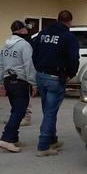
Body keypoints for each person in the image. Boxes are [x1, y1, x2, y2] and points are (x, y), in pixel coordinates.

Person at [32, 10, 79, 157]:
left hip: (41, 75)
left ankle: (52, 140)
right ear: (69, 21)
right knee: (50, 113)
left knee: (48, 111)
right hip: (55, 77)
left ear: (58, 19)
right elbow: (73, 59)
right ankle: (43, 146)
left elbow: (34, 53)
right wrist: (70, 74)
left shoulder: (43, 33)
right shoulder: (68, 37)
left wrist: (38, 68)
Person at [0, 21, 37, 153]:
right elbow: (29, 65)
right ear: (22, 30)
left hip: (8, 80)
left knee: (15, 110)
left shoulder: (5, 45)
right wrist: (33, 83)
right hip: (20, 82)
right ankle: (6, 138)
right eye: (26, 28)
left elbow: (0, 65)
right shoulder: (24, 45)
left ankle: (14, 138)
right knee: (20, 111)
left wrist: (1, 83)